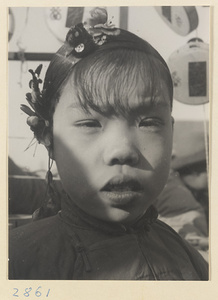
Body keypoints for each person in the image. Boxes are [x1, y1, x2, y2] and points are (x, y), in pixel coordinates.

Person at [9, 7, 208, 280]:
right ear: (48, 137)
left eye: (148, 122)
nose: (122, 151)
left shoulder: (187, 257)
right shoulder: (18, 263)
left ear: (170, 131)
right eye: (90, 124)